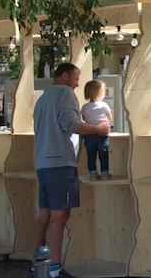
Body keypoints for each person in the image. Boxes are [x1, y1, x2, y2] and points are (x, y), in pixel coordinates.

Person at [32, 63, 110, 278]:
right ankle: (54, 270)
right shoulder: (65, 93)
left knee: (44, 216)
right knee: (59, 216)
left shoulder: (44, 97)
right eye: (76, 78)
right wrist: (98, 128)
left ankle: (38, 267)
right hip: (60, 162)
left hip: (43, 162)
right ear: (64, 76)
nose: (77, 84)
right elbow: (70, 124)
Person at [80, 80, 113, 180]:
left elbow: (83, 119)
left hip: (89, 134)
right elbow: (110, 117)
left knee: (91, 155)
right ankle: (105, 173)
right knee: (103, 154)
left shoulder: (85, 107)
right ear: (99, 93)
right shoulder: (104, 105)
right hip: (102, 134)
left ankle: (93, 174)